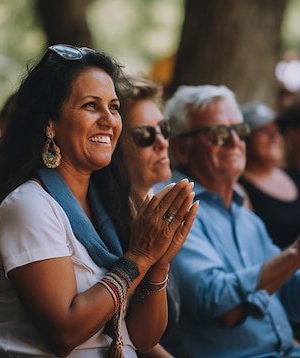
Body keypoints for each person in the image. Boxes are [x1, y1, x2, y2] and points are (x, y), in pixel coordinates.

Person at [0, 44, 198, 357]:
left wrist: (158, 262)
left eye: (113, 107)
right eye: (91, 106)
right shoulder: (29, 206)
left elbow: (143, 337)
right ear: (49, 123)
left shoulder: (114, 204)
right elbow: (65, 332)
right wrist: (139, 255)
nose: (109, 120)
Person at [160, 84, 300, 357]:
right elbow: (215, 302)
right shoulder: (175, 210)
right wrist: (299, 251)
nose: (235, 142)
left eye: (240, 130)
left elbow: (291, 300)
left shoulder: (246, 218)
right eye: (219, 133)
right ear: (181, 150)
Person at [117, 73, 175, 358]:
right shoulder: (111, 220)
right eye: (145, 135)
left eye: (163, 128)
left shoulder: (161, 200)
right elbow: (134, 333)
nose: (162, 142)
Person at [238, 101, 300, 249]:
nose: (274, 136)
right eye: (264, 130)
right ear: (244, 138)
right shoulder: (238, 188)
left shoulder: (293, 174)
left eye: (277, 130)